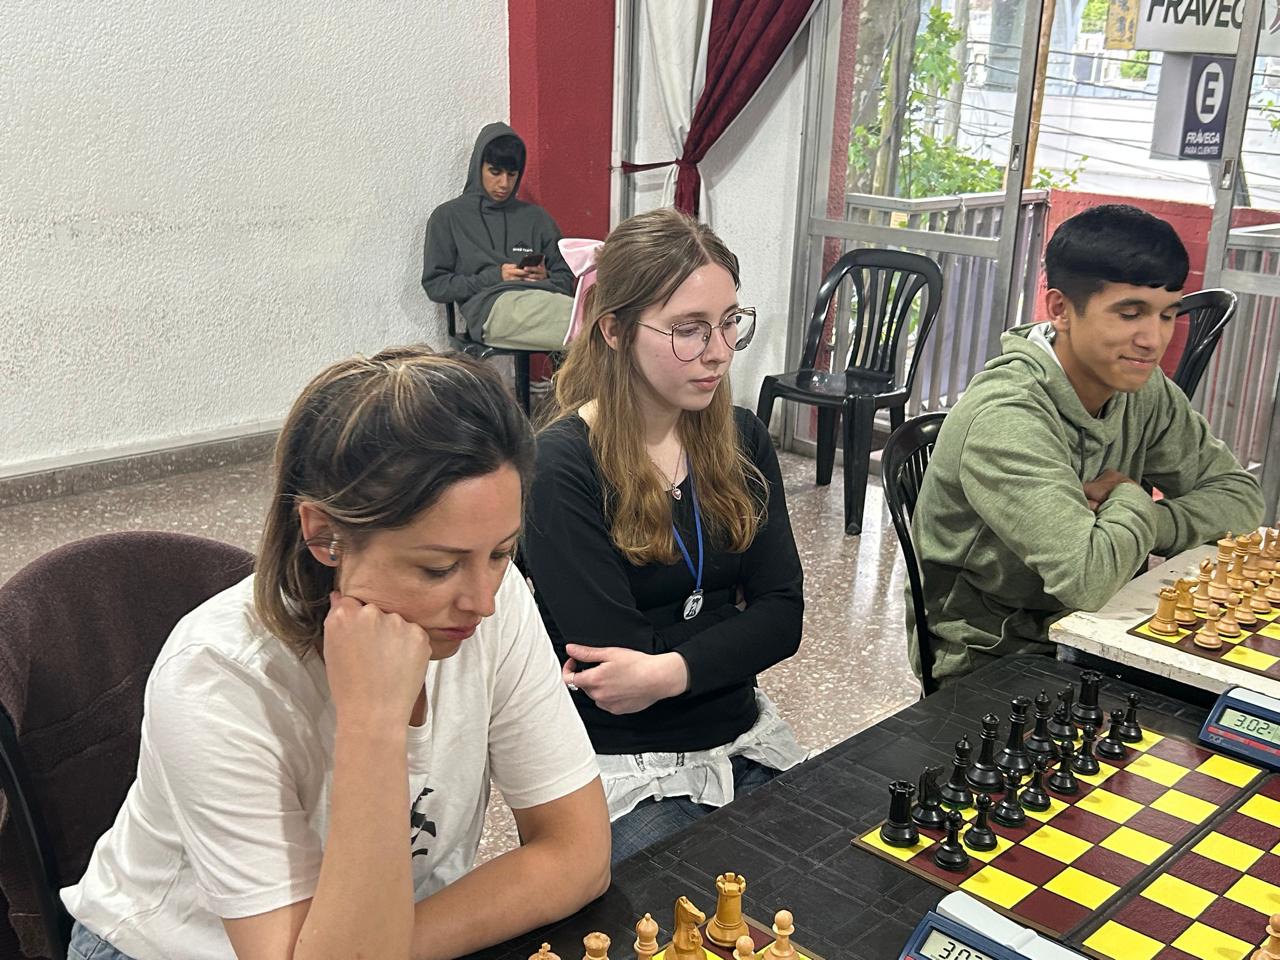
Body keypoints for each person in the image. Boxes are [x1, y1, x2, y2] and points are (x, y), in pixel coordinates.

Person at [61, 348, 610, 960]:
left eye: (502, 552)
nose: (482, 601)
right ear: (324, 535)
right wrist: (373, 722)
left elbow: (579, 855)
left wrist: (385, 942)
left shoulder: (493, 597)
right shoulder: (217, 676)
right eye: (437, 567)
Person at [521, 208, 807, 864]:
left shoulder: (742, 438)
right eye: (688, 330)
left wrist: (667, 663)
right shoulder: (561, 465)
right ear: (615, 330)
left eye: (729, 322)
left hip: (745, 735)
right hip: (624, 763)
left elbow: (784, 620)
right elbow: (614, 673)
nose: (718, 351)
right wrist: (733, 630)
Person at [909, 204, 1265, 685]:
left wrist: (1141, 512)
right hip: (995, 655)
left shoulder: (1143, 389)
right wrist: (1131, 500)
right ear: (1060, 310)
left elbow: (1241, 500)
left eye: (1167, 315)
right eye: (1130, 313)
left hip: (1106, 629)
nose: (1152, 339)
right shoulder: (1007, 415)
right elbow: (1087, 577)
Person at [423, 122, 575, 351]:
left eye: (512, 175)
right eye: (495, 172)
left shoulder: (536, 217)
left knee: (600, 322)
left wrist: (545, 276)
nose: (504, 184)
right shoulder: (448, 217)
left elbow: (566, 278)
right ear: (478, 167)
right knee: (594, 332)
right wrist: (496, 276)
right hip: (491, 308)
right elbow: (436, 286)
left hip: (547, 300)